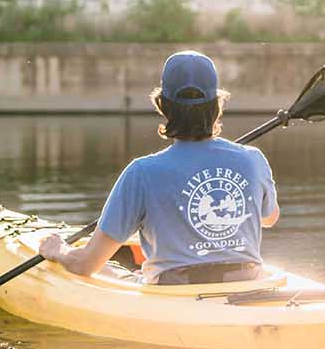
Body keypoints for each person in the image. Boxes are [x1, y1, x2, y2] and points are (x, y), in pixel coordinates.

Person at [38, 51, 279, 285]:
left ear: (163, 105)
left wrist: (59, 250)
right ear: (217, 104)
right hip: (246, 284)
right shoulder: (252, 159)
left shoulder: (141, 173)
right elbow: (269, 218)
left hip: (174, 292)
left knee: (109, 270)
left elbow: (85, 265)